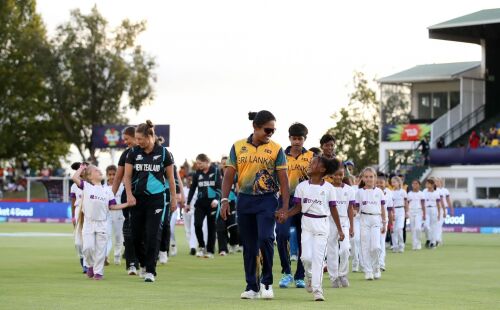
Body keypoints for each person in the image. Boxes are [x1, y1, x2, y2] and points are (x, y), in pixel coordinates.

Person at [220, 110, 289, 300]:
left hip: (267, 200)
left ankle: (267, 283)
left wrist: (284, 206)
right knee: (249, 245)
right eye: (267, 130)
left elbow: (284, 180)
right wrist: (224, 200)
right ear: (255, 127)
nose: (270, 134)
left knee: (266, 238)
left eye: (273, 130)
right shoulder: (238, 146)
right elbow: (229, 175)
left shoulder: (277, 149)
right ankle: (252, 286)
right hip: (244, 200)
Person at [279, 156, 342, 301]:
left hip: (322, 225)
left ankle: (318, 290)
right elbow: (298, 207)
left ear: (322, 169)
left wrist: (340, 229)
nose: (309, 164)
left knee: (318, 258)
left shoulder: (329, 188)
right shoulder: (302, 186)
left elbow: (333, 209)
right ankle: (309, 276)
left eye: (313, 163)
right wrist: (286, 214)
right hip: (306, 224)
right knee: (305, 257)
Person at [124, 121, 177, 283]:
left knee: (153, 234)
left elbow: (170, 178)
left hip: (157, 199)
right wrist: (129, 195)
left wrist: (173, 198)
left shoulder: (164, 153)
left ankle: (150, 271)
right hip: (137, 199)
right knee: (135, 235)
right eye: (137, 139)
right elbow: (127, 176)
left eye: (140, 138)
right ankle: (142, 263)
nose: (138, 142)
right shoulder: (133, 152)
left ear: (150, 136)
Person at [72, 163, 131, 280]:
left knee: (100, 250)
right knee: (87, 248)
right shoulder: (86, 187)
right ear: (89, 176)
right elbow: (74, 178)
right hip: (89, 223)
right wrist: (81, 168)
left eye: (99, 170)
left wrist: (127, 204)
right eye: (96, 171)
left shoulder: (107, 191)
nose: (99, 172)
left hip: (102, 224)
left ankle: (98, 272)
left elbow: (113, 206)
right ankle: (89, 265)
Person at [276, 123, 314, 289]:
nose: (297, 141)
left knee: (302, 239)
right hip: (284, 200)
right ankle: (286, 272)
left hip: (305, 202)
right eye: (294, 138)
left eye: (300, 138)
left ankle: (300, 275)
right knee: (281, 235)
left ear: (305, 139)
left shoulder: (312, 156)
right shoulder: (281, 155)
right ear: (289, 138)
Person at [111, 126, 140, 275]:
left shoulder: (150, 153)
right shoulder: (125, 154)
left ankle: (144, 261)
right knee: (128, 231)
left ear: (136, 137)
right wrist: (109, 198)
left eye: (127, 139)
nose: (125, 142)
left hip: (146, 198)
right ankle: (131, 264)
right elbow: (117, 178)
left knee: (144, 232)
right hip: (128, 197)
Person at [326, 159, 355, 288]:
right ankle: (334, 277)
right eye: (336, 174)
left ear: (344, 175)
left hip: (344, 222)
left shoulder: (349, 190)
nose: (338, 177)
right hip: (330, 222)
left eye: (341, 174)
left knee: (345, 250)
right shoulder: (327, 188)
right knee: (332, 250)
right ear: (331, 175)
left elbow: (350, 208)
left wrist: (352, 226)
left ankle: (343, 274)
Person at [187, 154, 221, 258]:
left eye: (200, 163)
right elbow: (193, 188)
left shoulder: (215, 171)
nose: (198, 165)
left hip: (212, 204)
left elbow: (219, 187)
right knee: (197, 224)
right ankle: (201, 246)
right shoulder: (197, 173)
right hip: (200, 204)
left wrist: (216, 199)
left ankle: (210, 251)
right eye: (197, 163)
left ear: (206, 162)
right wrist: (188, 203)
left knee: (211, 227)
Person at [356, 167, 387, 280]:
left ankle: (376, 267)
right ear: (363, 178)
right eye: (366, 177)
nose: (369, 179)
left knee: (376, 246)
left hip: (376, 220)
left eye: (371, 177)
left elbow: (383, 208)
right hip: (364, 219)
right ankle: (368, 271)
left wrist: (384, 222)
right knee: (365, 246)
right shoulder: (359, 192)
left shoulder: (379, 192)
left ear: (375, 178)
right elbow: (356, 207)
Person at [217, 156, 240, 255]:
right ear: (221, 165)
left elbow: (239, 190)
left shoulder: (235, 176)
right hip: (220, 203)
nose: (225, 165)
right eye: (223, 163)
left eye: (226, 163)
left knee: (233, 227)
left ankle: (233, 243)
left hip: (232, 203)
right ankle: (223, 249)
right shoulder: (217, 176)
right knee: (221, 227)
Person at [104, 165, 125, 265]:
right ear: (106, 175)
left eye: (114, 174)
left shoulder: (121, 186)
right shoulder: (103, 187)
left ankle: (117, 256)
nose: (112, 177)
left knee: (118, 236)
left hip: (119, 214)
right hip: (107, 215)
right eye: (110, 174)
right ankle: (105, 256)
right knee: (106, 236)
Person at [70, 162, 87, 274]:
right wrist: (73, 217)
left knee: (87, 239)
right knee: (78, 243)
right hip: (78, 212)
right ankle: (81, 257)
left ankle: (86, 264)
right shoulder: (74, 186)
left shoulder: (91, 184)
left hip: (88, 213)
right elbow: (73, 202)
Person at [375, 173, 392, 271]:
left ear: (386, 183)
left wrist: (389, 221)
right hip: (373, 220)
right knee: (374, 244)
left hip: (383, 221)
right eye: (377, 183)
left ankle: (381, 263)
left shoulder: (389, 193)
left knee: (381, 242)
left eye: (381, 183)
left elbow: (390, 209)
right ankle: (374, 262)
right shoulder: (373, 191)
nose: (379, 184)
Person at [390, 176, 409, 253]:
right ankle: (395, 246)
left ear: (399, 182)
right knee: (393, 229)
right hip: (393, 212)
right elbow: (390, 203)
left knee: (399, 228)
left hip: (401, 210)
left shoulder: (403, 192)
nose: (393, 183)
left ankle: (401, 246)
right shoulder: (391, 193)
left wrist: (407, 212)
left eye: (394, 182)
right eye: (392, 182)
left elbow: (406, 202)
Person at [423, 179, 442, 249]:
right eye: (426, 184)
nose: (426, 185)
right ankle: (428, 239)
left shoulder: (436, 193)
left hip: (434, 209)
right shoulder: (424, 192)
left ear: (432, 185)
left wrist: (439, 213)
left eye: (428, 184)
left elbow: (438, 204)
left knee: (434, 227)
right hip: (426, 209)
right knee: (426, 226)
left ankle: (433, 242)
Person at [408, 180, 425, 250]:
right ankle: (414, 244)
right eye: (413, 183)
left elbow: (423, 204)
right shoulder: (409, 194)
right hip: (411, 211)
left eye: (416, 184)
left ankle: (418, 242)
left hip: (419, 211)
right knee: (412, 229)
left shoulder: (421, 194)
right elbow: (407, 203)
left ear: (419, 185)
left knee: (418, 228)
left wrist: (424, 213)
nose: (415, 185)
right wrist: (407, 212)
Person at [436, 177, 454, 246]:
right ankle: (438, 239)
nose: (437, 183)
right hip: (435, 209)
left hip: (443, 209)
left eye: (438, 181)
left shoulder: (445, 190)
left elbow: (448, 200)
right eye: (436, 181)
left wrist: (451, 210)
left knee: (439, 224)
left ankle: (437, 239)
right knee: (437, 225)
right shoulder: (434, 190)